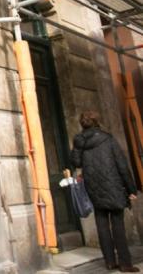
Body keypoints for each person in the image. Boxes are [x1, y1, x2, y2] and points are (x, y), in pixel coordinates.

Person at [70, 111, 139, 273]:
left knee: (101, 224)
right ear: (96, 122)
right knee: (118, 225)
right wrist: (131, 189)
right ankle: (125, 264)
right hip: (113, 186)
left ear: (82, 124)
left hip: (93, 186)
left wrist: (77, 148)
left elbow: (76, 162)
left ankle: (109, 262)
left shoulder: (79, 141)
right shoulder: (108, 139)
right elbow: (122, 165)